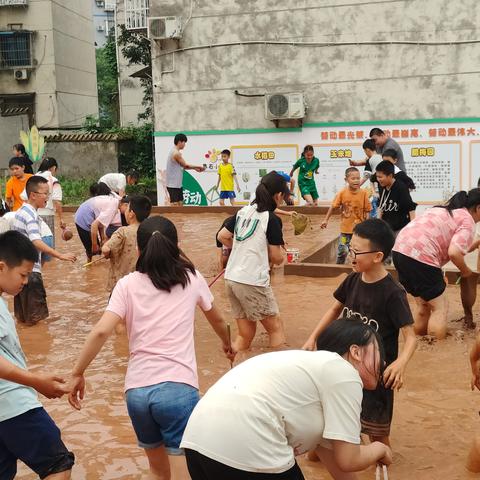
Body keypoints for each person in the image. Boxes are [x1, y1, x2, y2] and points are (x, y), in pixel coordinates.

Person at [68, 215, 235, 480]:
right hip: (178, 390)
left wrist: (77, 372)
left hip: (137, 394)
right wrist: (228, 344)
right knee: (183, 471)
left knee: (158, 471)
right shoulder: (191, 277)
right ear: (177, 245)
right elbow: (219, 319)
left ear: (138, 249)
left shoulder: (126, 285)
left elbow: (101, 330)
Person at [181, 319, 392, 480]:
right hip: (247, 443)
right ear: (355, 352)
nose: (383, 361)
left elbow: (340, 467)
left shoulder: (314, 375)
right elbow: (349, 460)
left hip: (198, 443)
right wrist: (380, 449)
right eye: (378, 351)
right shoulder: (344, 372)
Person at [303, 219, 417, 447]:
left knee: (378, 435)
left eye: (357, 251)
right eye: (350, 248)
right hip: (344, 367)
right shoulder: (353, 279)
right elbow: (334, 309)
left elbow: (411, 336)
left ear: (377, 256)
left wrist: (400, 363)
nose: (350, 254)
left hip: (376, 374)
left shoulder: (393, 293)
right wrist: (312, 338)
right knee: (328, 430)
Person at [0, 231, 75, 480]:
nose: (24, 282)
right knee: (58, 464)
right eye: (22, 275)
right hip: (14, 404)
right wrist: (37, 381)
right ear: (1, 267)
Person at [392, 189, 480, 338]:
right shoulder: (467, 221)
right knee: (440, 307)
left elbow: (454, 246)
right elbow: (454, 253)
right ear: (478, 208)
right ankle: (436, 347)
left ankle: (418, 343)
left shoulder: (443, 210)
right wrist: (465, 271)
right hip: (422, 257)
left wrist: (476, 243)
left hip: (400, 251)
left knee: (423, 305)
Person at [217, 172, 288, 351]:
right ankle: (278, 375)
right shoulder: (272, 219)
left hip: (231, 278)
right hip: (252, 281)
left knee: (245, 334)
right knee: (276, 329)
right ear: (278, 196)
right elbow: (276, 258)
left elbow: (222, 236)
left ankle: (233, 368)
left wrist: (243, 248)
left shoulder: (243, 211)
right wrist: (281, 254)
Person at [12, 176, 76, 325]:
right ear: (33, 195)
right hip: (31, 273)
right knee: (37, 322)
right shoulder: (31, 215)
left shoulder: (21, 211)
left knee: (23, 320)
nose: (47, 198)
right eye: (45, 193)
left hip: (20, 272)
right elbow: (36, 241)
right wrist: (60, 255)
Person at [102, 195, 152, 293]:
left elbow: (106, 249)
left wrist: (105, 250)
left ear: (131, 214)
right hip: (143, 286)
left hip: (121, 286)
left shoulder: (122, 231)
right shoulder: (150, 231)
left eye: (127, 208)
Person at [321, 167, 371, 264]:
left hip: (358, 231)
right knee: (343, 250)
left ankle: (356, 269)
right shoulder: (342, 193)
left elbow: (367, 210)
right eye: (353, 178)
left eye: (358, 178)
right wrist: (325, 220)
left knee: (358, 251)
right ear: (346, 179)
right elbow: (333, 206)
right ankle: (338, 267)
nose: (356, 181)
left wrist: (366, 225)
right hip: (345, 231)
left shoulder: (363, 193)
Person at [74, 183, 121, 262]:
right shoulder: (113, 205)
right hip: (81, 219)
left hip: (88, 214)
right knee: (92, 250)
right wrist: (94, 245)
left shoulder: (113, 199)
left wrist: (102, 238)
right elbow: (94, 225)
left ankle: (94, 261)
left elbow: (100, 221)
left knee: (98, 251)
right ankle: (89, 263)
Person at [375, 161, 416, 235]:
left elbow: (411, 208)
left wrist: (412, 228)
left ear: (390, 176)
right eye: (377, 177)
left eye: (380, 177)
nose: (378, 179)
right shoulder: (381, 185)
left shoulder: (401, 188)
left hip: (400, 229)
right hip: (386, 229)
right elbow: (381, 205)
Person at [34, 157, 66, 246]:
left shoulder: (33, 178)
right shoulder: (53, 180)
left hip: (32, 215)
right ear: (54, 168)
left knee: (34, 244)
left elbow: (24, 197)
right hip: (47, 215)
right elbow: (57, 202)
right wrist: (61, 219)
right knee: (48, 246)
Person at [166, 133, 205, 206]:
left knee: (180, 203)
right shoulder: (176, 153)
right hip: (173, 184)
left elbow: (183, 166)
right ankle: (174, 217)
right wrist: (198, 167)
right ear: (180, 142)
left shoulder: (174, 152)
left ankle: (179, 217)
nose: (184, 145)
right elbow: (185, 165)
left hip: (177, 184)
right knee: (175, 205)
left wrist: (195, 168)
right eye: (184, 142)